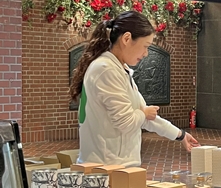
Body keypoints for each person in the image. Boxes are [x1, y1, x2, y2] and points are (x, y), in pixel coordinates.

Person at [70, 11, 199, 167]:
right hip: (106, 168)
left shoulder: (119, 69)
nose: (146, 54)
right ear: (126, 38)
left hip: (116, 166)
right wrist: (143, 113)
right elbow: (127, 122)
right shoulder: (106, 69)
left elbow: (146, 117)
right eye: (145, 46)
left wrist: (180, 135)